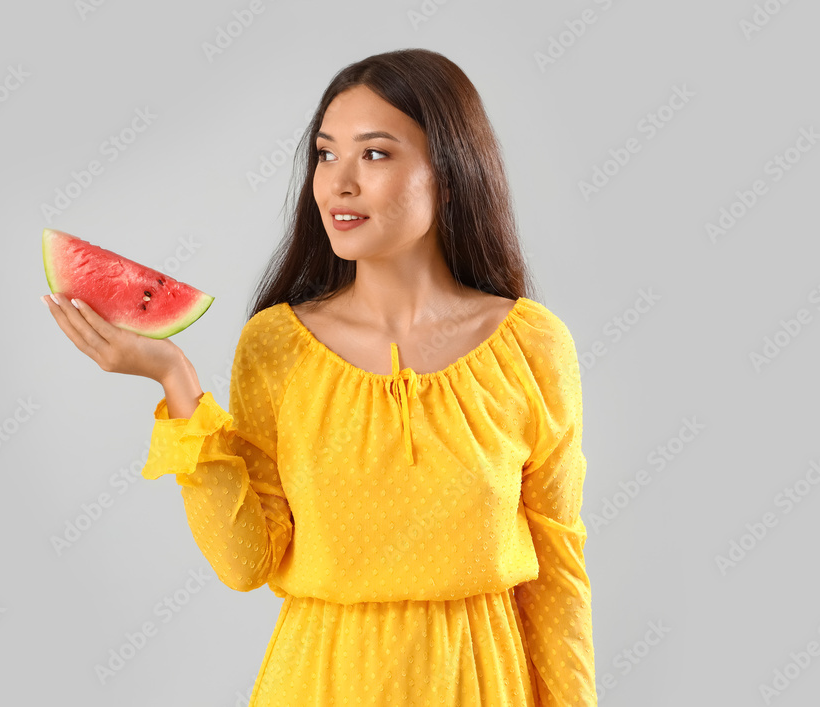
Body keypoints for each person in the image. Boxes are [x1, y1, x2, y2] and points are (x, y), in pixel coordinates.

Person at [42, 48, 596, 707]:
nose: (339, 182)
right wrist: (176, 381)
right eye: (326, 155)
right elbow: (246, 561)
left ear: (449, 174)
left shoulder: (531, 346)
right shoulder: (277, 346)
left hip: (479, 685)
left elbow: (558, 570)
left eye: (376, 154)